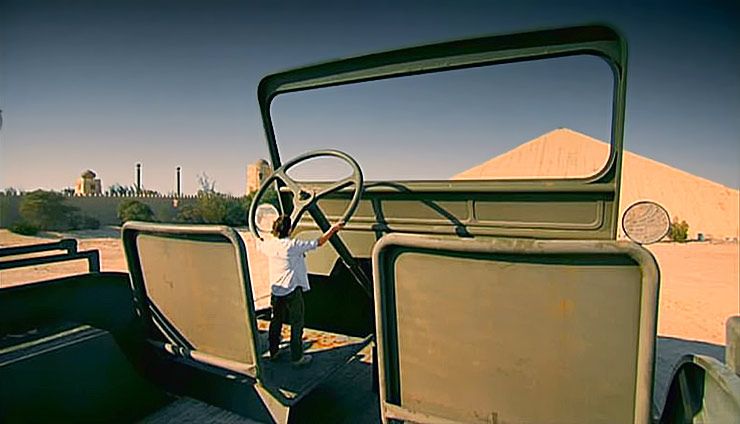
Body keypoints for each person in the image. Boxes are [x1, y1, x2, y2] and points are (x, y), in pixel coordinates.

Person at [258, 215, 344, 366]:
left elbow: (259, 243)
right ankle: (297, 357)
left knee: (276, 321)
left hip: (276, 291)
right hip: (292, 290)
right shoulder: (293, 245)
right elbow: (319, 242)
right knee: (297, 323)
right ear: (289, 229)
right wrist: (333, 229)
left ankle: (273, 351)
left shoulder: (270, 245)